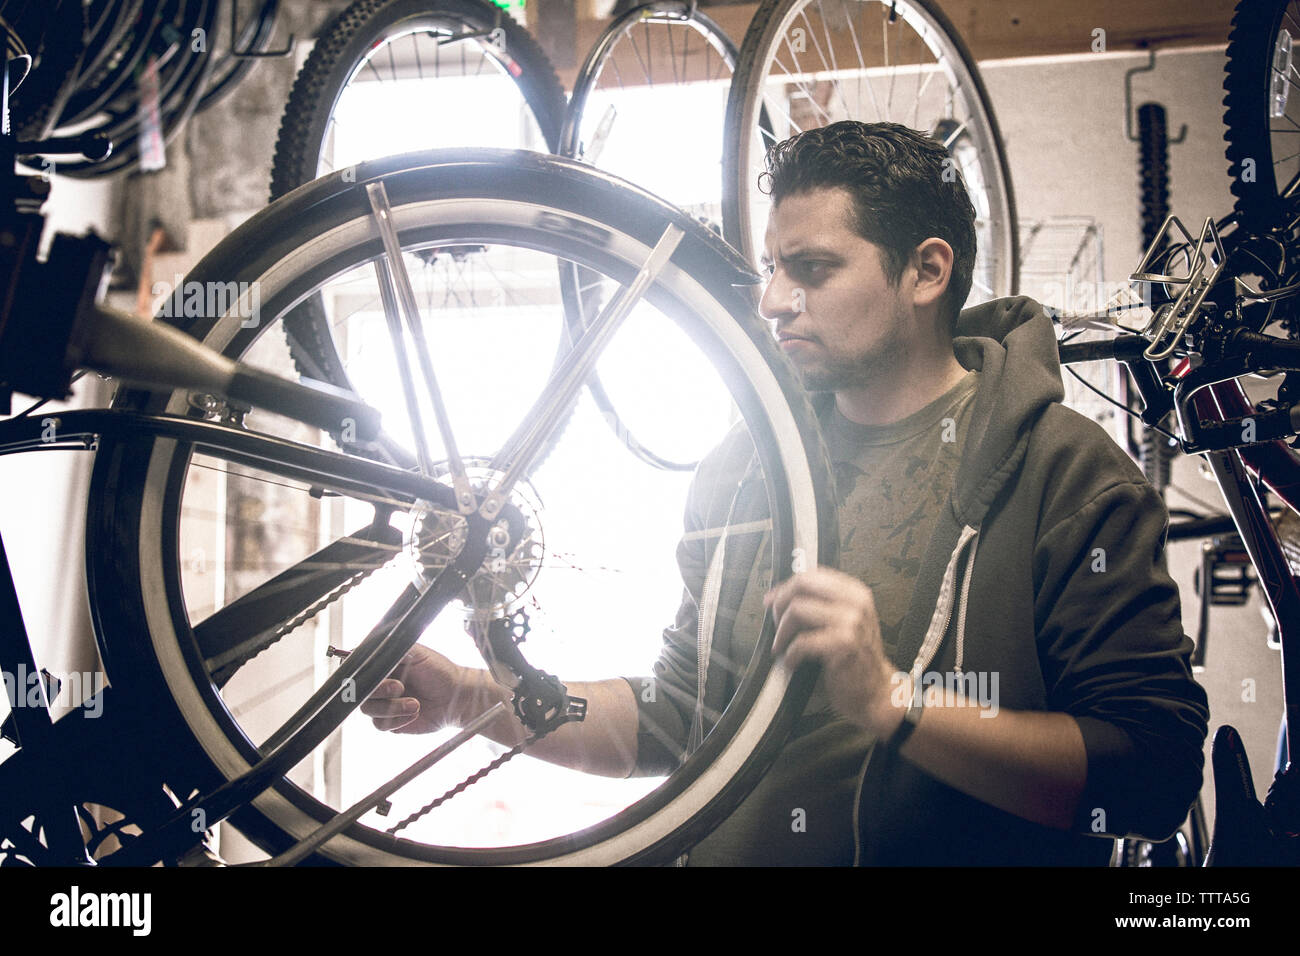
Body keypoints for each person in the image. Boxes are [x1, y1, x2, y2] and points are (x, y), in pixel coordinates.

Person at [361, 121, 1210, 865]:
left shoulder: (1069, 473)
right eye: (772, 267)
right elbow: (678, 717)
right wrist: (473, 698)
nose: (772, 301)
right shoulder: (746, 465)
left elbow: (1149, 778)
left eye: (811, 268)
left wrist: (890, 703)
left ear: (925, 272)